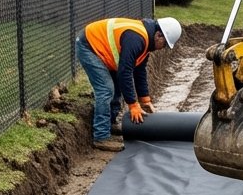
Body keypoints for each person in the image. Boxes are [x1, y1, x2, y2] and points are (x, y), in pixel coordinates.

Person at [75, 16, 182, 151]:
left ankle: (110, 123)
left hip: (103, 49)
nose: (163, 48)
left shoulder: (147, 42)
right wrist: (133, 105)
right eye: (165, 44)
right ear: (159, 35)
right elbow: (125, 72)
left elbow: (139, 71)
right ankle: (101, 136)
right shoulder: (136, 39)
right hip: (89, 46)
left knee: (117, 87)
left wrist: (145, 100)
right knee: (106, 89)